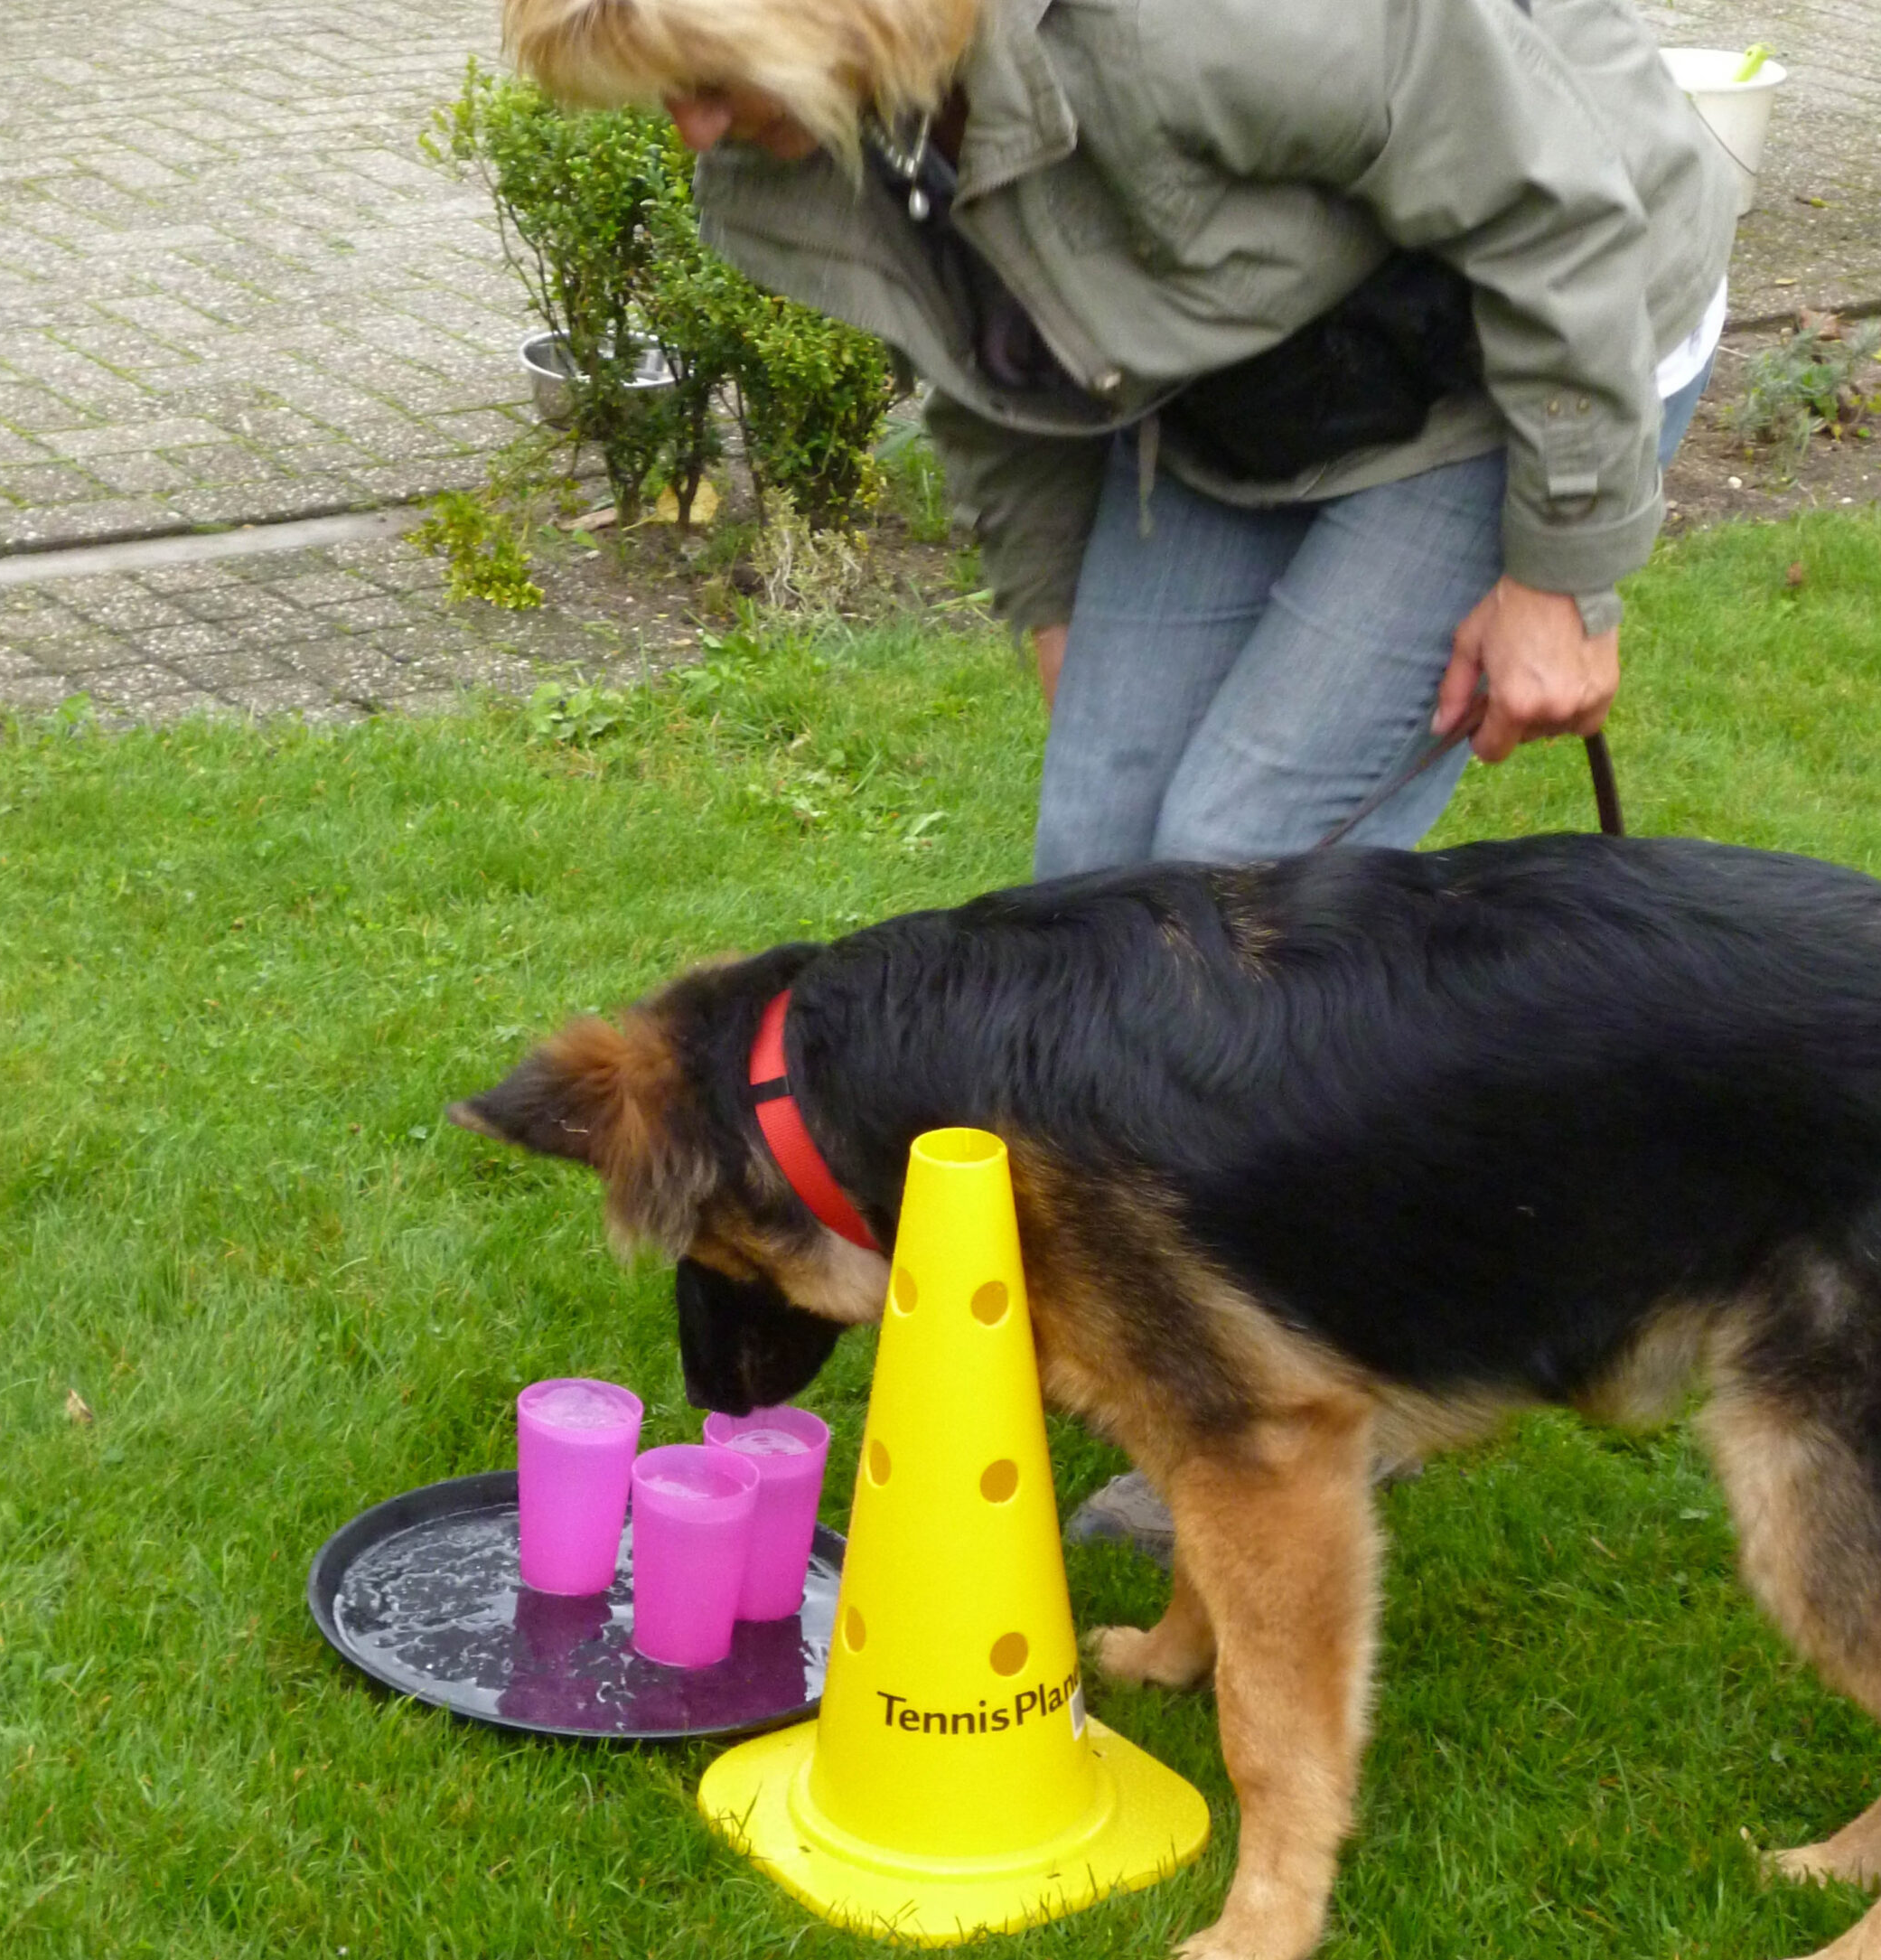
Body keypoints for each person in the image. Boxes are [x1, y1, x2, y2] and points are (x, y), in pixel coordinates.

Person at [504, 0, 1737, 1549]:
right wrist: (1060, 615)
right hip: (1249, 383)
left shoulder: (1194, 24)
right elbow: (984, 369)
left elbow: (1549, 202)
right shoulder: (831, 131)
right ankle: (1203, 1341)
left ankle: (1292, 1389)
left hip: (1518, 345)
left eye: (700, 80)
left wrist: (1561, 569)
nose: (690, 132)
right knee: (1089, 898)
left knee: (1231, 893)